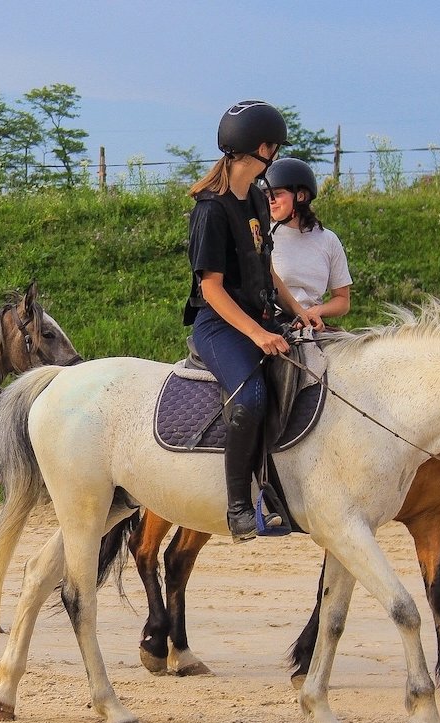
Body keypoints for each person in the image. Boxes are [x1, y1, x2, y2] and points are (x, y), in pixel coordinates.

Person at [182, 100, 324, 543]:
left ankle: (281, 488)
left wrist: (297, 311)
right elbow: (212, 289)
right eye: (274, 148)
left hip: (259, 316)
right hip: (219, 325)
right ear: (258, 148)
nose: (276, 155)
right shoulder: (211, 210)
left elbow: (267, 270)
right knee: (251, 395)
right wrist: (258, 334)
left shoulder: (257, 202)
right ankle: (238, 507)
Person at [263, 157, 352, 326]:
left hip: (313, 322)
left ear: (301, 196)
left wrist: (316, 311)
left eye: (278, 194)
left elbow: (342, 300)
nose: (271, 200)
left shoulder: (328, 239)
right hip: (274, 322)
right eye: (267, 194)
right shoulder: (263, 236)